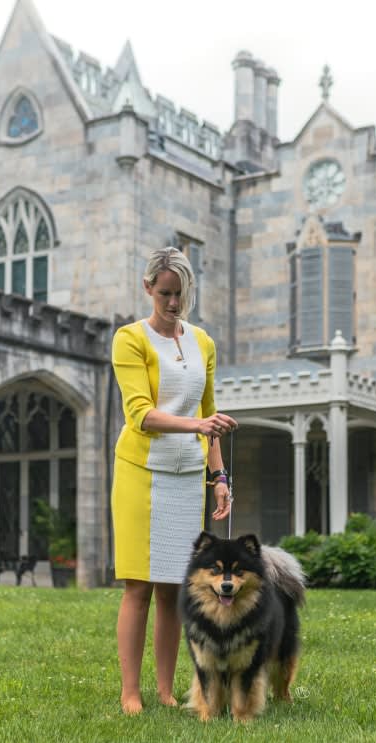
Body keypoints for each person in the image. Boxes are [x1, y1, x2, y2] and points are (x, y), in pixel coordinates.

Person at [111, 247, 238, 714]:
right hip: (141, 475)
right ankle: (130, 692)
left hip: (187, 479)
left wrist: (219, 477)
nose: (172, 303)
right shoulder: (130, 339)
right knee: (139, 586)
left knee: (172, 587)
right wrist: (197, 427)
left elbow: (209, 415)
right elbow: (140, 414)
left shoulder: (203, 342)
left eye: (180, 295)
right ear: (148, 288)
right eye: (164, 293)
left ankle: (164, 692)